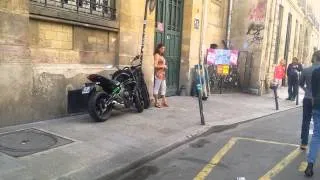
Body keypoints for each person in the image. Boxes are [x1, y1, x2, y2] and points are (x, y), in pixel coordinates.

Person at [299, 53, 320, 151]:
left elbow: (301, 84)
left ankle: (304, 143)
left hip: (307, 98)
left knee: (306, 120)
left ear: (315, 58)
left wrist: (307, 90)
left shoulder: (306, 70)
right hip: (318, 99)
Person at [305, 50, 320, 177]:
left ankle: (310, 165)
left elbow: (314, 94)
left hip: (317, 106)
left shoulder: (316, 72)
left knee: (316, 135)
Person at [153, 43, 168, 108]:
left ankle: (164, 101)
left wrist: (164, 66)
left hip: (163, 74)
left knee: (164, 87)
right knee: (156, 88)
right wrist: (163, 66)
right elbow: (155, 65)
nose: (163, 49)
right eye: (162, 48)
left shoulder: (161, 56)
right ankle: (156, 102)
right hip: (158, 74)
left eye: (164, 48)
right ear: (158, 49)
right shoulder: (156, 55)